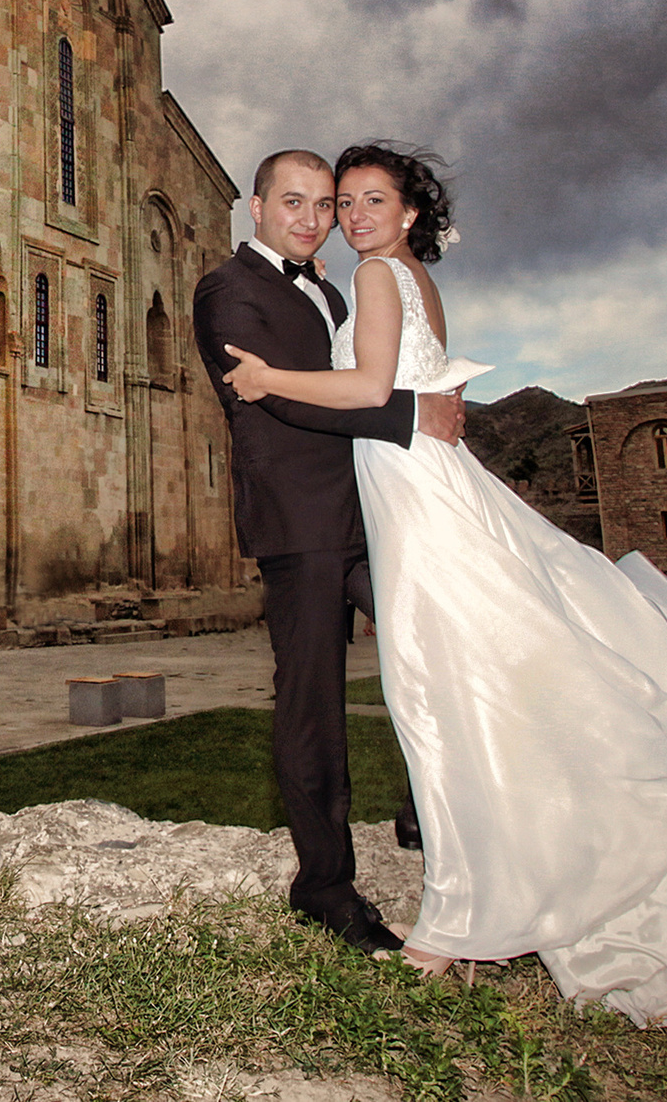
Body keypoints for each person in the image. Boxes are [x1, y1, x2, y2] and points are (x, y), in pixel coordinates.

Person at [221, 143, 667, 1031]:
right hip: (400, 490)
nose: (346, 215)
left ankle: (460, 908)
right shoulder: (393, 279)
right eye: (335, 200)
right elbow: (406, 388)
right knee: (485, 668)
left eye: (366, 200)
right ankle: (483, 856)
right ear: (261, 206)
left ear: (406, 215)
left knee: (444, 687)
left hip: (413, 495)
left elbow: (366, 384)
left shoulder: (378, 281)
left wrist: (274, 375)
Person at [191, 149, 466, 957]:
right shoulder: (227, 290)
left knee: (442, 645)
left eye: (325, 205)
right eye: (295, 202)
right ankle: (324, 886)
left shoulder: (333, 288)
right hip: (300, 522)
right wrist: (412, 414)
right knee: (313, 704)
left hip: (368, 511)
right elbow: (278, 393)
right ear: (256, 206)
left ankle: (425, 801)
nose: (312, 219)